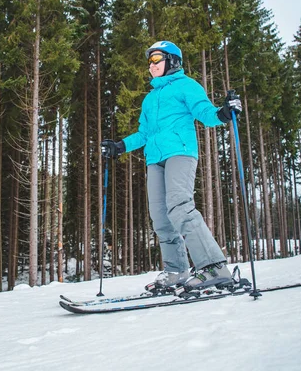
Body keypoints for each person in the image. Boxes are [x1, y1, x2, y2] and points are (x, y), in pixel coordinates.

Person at [101, 40, 242, 292]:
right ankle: (176, 270)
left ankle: (214, 267)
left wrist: (223, 113)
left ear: (172, 61)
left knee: (180, 206)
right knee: (160, 218)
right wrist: (120, 146)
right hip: (154, 159)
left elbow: (206, 113)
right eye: (150, 61)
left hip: (180, 152)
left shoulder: (186, 86)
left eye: (156, 59)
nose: (151, 65)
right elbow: (143, 134)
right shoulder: (149, 99)